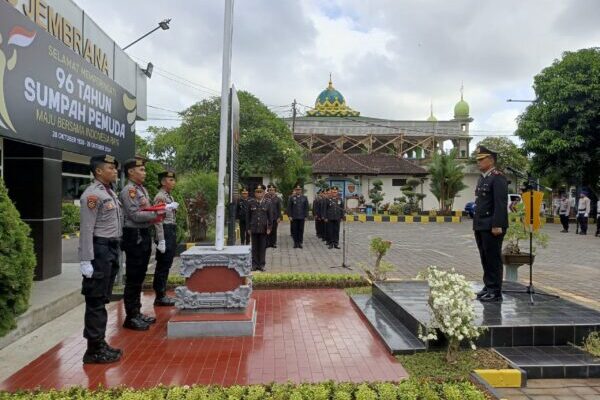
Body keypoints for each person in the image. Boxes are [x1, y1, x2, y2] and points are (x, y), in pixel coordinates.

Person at [120, 157, 173, 330]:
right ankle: (131, 316)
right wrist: (158, 214)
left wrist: (155, 213)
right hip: (133, 234)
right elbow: (135, 215)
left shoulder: (140, 189)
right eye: (141, 170)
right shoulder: (130, 191)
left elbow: (145, 211)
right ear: (131, 172)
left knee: (140, 275)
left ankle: (137, 312)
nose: (145, 173)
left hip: (142, 233)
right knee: (134, 276)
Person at [79, 154, 122, 364]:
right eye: (110, 168)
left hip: (110, 249)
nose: (114, 171)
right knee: (95, 300)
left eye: (115, 168)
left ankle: (99, 343)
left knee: (103, 298)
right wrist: (86, 259)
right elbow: (87, 229)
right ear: (98, 171)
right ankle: (93, 350)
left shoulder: (109, 192)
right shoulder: (92, 195)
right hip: (99, 250)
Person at [473, 146, 508, 303]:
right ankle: (488, 286)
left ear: (491, 160)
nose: (478, 162)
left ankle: (495, 291)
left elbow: (500, 203)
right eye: (478, 159)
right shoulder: (483, 178)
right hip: (481, 224)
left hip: (493, 225)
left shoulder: (498, 177)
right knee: (484, 257)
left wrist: (497, 224)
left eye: (482, 159)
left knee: (493, 258)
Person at [153, 170, 180, 307]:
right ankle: (160, 295)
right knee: (163, 265)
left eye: (173, 180)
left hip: (170, 230)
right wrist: (161, 239)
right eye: (170, 180)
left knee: (167, 263)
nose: (173, 182)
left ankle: (162, 294)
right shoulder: (161, 197)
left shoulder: (169, 196)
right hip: (164, 230)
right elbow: (158, 219)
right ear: (163, 182)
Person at [246, 184, 273, 271]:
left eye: (260, 192)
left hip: (263, 228)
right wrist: (248, 228)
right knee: (254, 247)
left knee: (262, 247)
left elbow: (270, 217)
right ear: (254, 193)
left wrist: (269, 227)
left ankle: (261, 265)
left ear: (264, 192)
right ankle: (254, 265)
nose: (259, 194)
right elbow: (248, 217)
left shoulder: (268, 203)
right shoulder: (250, 203)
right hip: (254, 228)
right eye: (257, 192)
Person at [266, 184, 282, 248]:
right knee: (268, 230)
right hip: (267, 217)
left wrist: (279, 217)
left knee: (274, 231)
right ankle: (268, 243)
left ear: (275, 191)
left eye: (272, 190)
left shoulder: (277, 199)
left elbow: (279, 209)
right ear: (268, 191)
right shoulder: (266, 198)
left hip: (275, 217)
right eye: (270, 190)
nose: (271, 191)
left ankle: (274, 243)